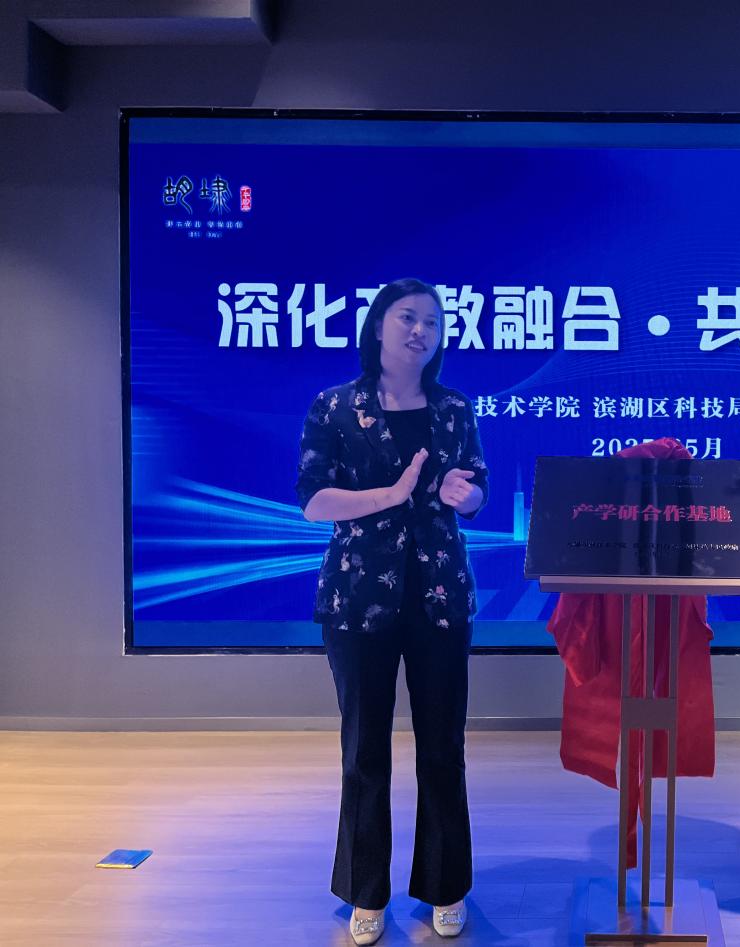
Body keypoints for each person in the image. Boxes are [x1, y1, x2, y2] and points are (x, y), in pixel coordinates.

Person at [295, 277, 489, 944]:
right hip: (358, 598)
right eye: (407, 317)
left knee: (443, 748)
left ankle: (445, 884)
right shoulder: (334, 406)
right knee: (363, 749)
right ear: (378, 324)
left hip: (439, 596)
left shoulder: (454, 408)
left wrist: (465, 495)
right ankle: (365, 892)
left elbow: (478, 490)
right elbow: (313, 500)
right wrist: (393, 493)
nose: (420, 331)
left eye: (432, 322)